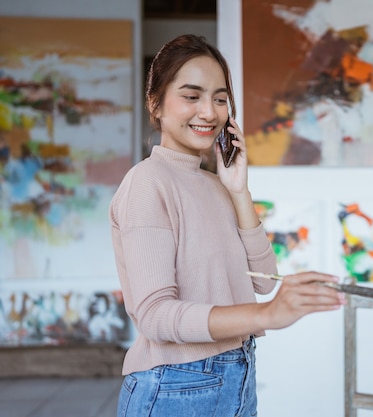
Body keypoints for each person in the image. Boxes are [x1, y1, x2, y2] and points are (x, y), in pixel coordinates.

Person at [109, 34, 345, 417]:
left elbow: (264, 280)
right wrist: (265, 316)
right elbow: (155, 315)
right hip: (175, 386)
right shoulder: (147, 182)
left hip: (238, 372)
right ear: (156, 104)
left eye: (220, 98)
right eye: (191, 96)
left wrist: (238, 190)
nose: (209, 112)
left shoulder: (218, 185)